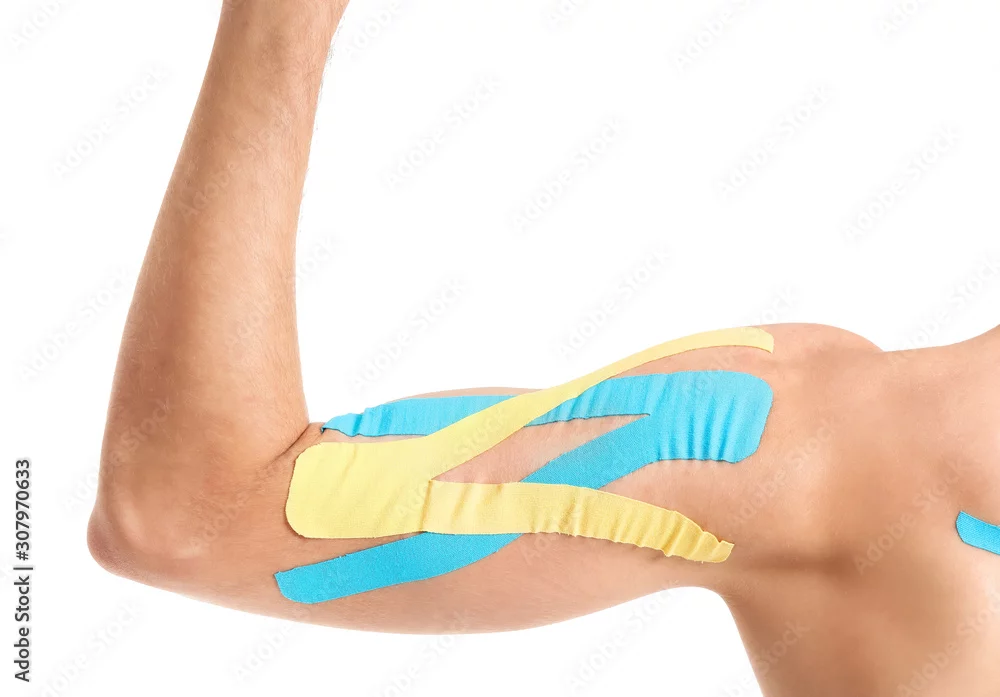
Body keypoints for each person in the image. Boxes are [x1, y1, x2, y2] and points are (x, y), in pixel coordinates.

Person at [86, 2, 1000, 694]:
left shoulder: (822, 441)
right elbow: (185, 517)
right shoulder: (824, 445)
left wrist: (281, 22)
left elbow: (186, 515)